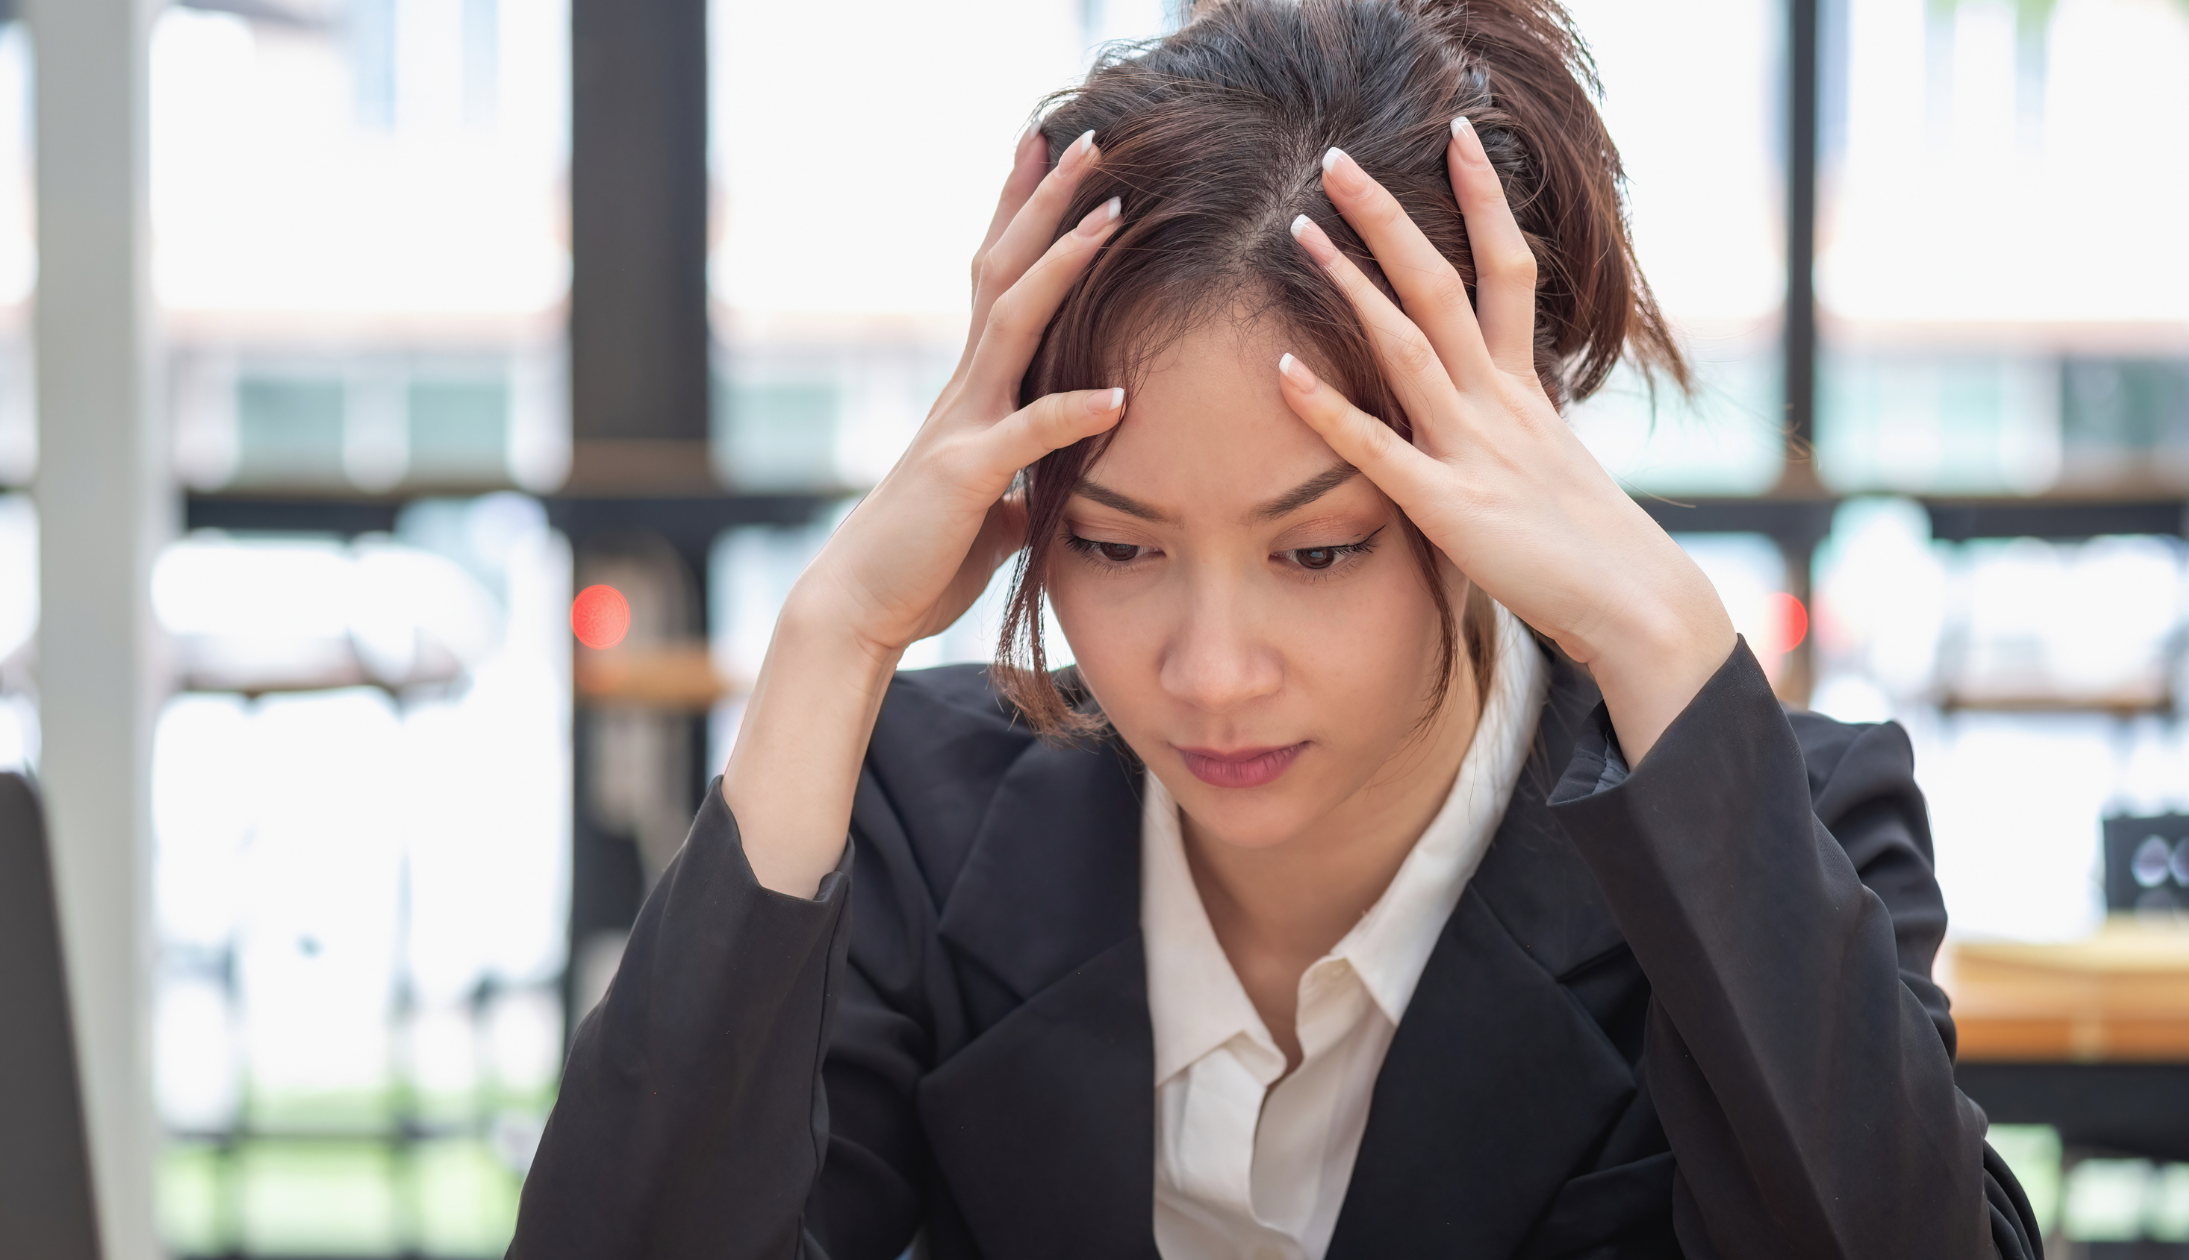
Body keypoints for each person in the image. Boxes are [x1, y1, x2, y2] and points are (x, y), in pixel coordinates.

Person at [511, 0, 2042, 1256]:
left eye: (1317, 550)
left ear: (1483, 493)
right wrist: (835, 630)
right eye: (1114, 544)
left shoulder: (1772, 836)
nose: (1211, 674)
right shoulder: (930, 818)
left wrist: (1653, 624)